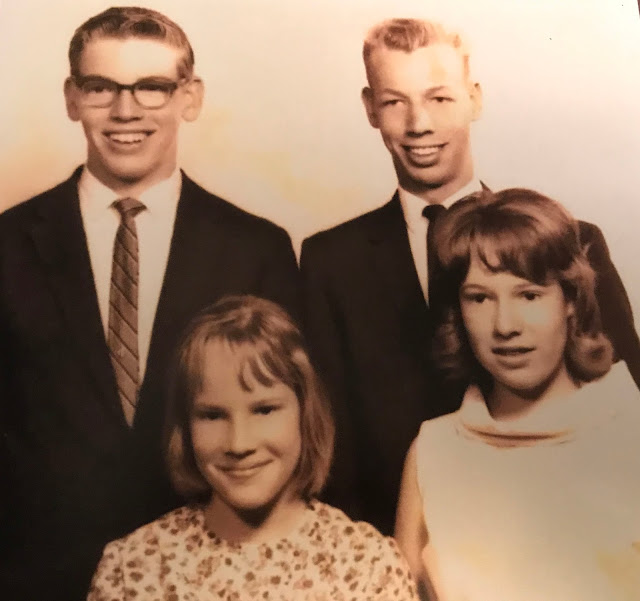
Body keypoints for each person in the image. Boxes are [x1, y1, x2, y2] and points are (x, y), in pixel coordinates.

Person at [0, 8, 299, 601]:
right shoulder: (7, 244)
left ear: (190, 97)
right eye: (101, 87)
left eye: (152, 87)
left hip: (211, 578)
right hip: (36, 579)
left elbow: (289, 429)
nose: (125, 111)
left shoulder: (256, 249)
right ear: (72, 98)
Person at [299, 17, 640, 536]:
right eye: (395, 102)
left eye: (439, 98)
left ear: (474, 99)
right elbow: (330, 441)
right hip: (393, 543)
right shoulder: (330, 261)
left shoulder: (572, 241)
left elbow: (624, 394)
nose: (419, 124)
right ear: (370, 109)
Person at [86, 295, 419, 601]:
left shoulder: (366, 567)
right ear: (185, 427)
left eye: (264, 410)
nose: (239, 443)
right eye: (212, 415)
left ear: (305, 413)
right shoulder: (133, 569)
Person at [395, 188, 640, 601]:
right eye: (479, 298)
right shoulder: (432, 452)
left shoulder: (631, 431)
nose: (505, 325)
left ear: (570, 300)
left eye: (529, 295)